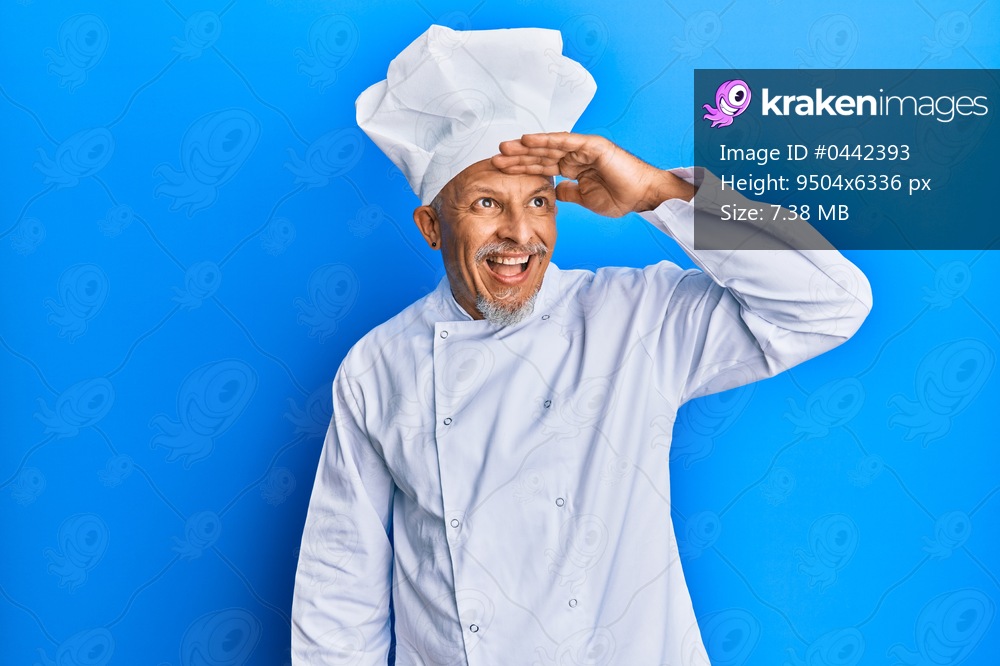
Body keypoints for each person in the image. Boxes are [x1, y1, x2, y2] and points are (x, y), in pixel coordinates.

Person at [291, 25, 872, 665]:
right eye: (487, 202)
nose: (520, 234)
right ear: (432, 225)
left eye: (538, 202)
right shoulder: (378, 367)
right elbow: (339, 588)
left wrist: (662, 195)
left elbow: (830, 304)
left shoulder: (633, 317)